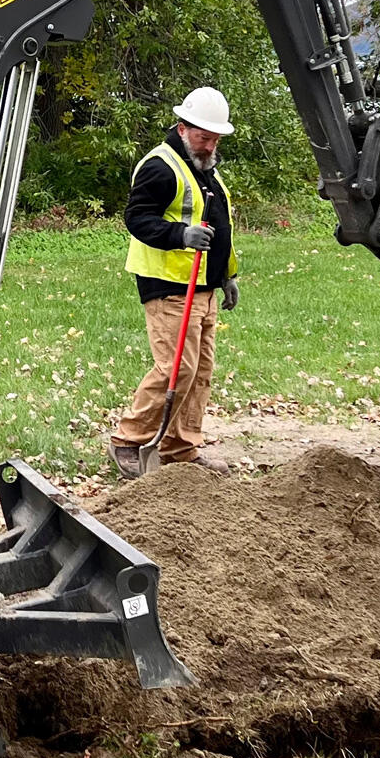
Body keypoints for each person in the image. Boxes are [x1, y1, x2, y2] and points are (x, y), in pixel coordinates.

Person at [108, 86, 240, 479]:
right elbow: (138, 218)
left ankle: (182, 448)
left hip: (203, 285)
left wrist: (227, 275)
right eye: (204, 136)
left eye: (216, 138)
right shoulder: (161, 166)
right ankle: (128, 440)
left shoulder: (205, 168)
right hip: (168, 284)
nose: (211, 144)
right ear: (183, 128)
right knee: (176, 370)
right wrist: (179, 235)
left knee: (200, 371)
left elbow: (222, 226)